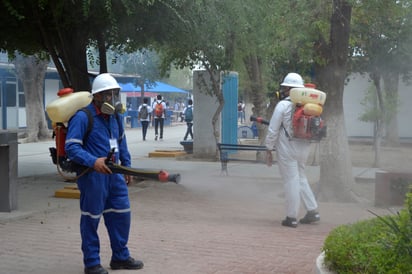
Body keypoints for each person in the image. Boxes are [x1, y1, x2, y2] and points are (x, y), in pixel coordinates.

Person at [65, 73, 144, 274]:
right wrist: (93, 161)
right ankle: (91, 263)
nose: (111, 98)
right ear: (97, 96)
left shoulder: (115, 117)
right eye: (107, 94)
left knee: (121, 214)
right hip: (93, 177)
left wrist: (127, 166)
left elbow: (121, 142)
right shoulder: (83, 117)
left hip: (115, 175)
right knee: (91, 218)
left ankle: (120, 257)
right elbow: (71, 148)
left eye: (114, 94)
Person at [265, 72, 320, 228]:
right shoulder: (308, 106)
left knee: (291, 180)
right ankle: (312, 211)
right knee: (301, 177)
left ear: (289, 88)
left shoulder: (283, 105)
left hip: (287, 148)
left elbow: (273, 129)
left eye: (285, 87)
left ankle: (291, 217)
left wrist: (268, 148)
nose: (282, 90)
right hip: (304, 147)